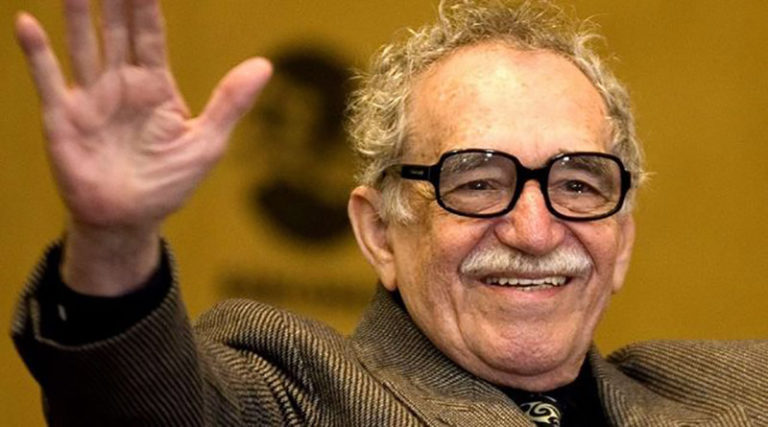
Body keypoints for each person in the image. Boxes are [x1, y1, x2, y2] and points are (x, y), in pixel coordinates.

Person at [11, 0, 767, 425]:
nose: (535, 232)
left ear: (622, 236)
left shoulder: (729, 393)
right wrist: (114, 241)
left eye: (577, 184)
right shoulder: (296, 391)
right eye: (477, 181)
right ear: (379, 232)